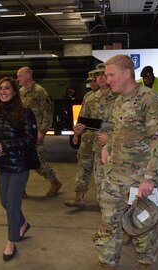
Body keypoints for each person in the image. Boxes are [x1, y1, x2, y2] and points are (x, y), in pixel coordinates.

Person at [94, 54, 158, 270]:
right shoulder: (119, 101)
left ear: (127, 73)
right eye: (106, 76)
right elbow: (117, 133)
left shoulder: (149, 100)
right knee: (108, 226)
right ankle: (107, 264)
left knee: (143, 229)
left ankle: (144, 265)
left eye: (111, 75)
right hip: (114, 179)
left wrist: (150, 179)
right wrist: (107, 149)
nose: (107, 80)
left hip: (139, 183)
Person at [0, 77, 37, 261]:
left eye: (7, 88)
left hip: (19, 164)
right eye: (0, 89)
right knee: (5, 202)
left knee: (13, 204)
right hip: (1, 163)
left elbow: (30, 140)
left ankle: (11, 241)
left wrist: (4, 146)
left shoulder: (25, 112)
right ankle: (22, 224)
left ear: (15, 91)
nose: (3, 92)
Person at [17, 66, 62, 197]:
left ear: (27, 76)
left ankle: (55, 182)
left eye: (20, 76)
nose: (18, 78)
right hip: (23, 133)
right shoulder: (21, 92)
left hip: (35, 133)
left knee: (38, 163)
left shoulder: (40, 92)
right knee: (22, 161)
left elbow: (48, 114)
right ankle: (21, 189)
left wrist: (42, 132)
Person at [65, 69, 99, 208]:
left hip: (105, 139)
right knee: (83, 167)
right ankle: (79, 196)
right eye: (90, 81)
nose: (92, 84)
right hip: (88, 138)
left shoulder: (114, 96)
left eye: (94, 80)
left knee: (103, 171)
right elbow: (82, 117)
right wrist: (77, 134)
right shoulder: (88, 97)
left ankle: (107, 200)